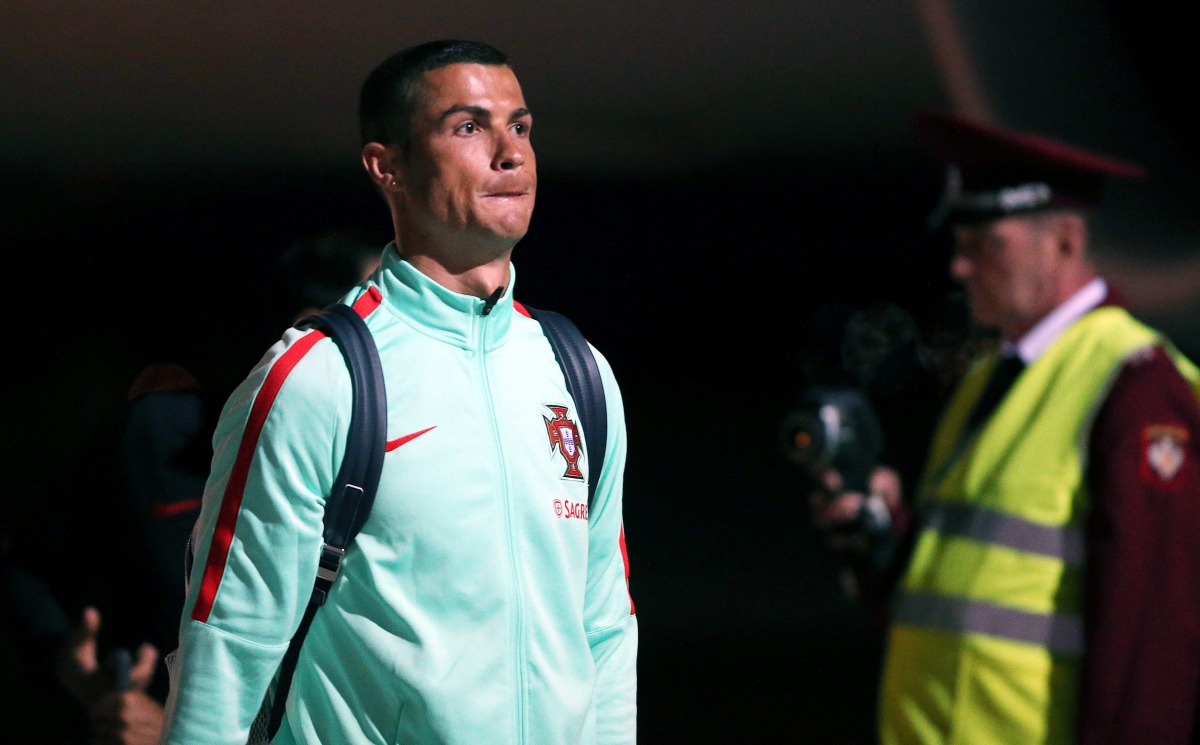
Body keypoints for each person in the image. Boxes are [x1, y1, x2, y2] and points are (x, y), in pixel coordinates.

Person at [157, 39, 637, 744]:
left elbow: (604, 625)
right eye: (469, 127)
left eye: (521, 126)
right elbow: (230, 642)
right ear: (387, 168)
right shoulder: (319, 377)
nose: (511, 152)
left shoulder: (579, 372)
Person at [809, 110, 1200, 744]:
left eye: (984, 244)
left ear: (1066, 241)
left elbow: (1152, 637)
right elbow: (973, 587)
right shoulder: (986, 377)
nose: (959, 269)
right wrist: (885, 539)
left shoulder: (1136, 386)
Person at [0, 228, 383, 745]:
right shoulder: (159, 435)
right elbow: (30, 565)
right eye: (357, 330)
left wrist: (178, 732)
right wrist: (76, 670)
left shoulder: (410, 460)